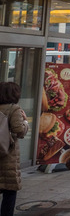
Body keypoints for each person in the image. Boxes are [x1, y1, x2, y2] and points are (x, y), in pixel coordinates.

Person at [0, 82, 29, 216]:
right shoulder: (14, 109)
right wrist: (25, 121)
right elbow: (19, 131)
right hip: (8, 156)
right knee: (9, 192)